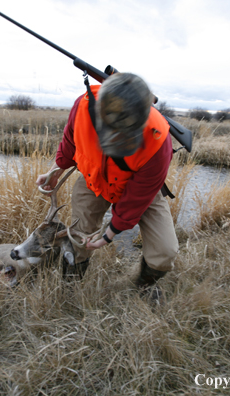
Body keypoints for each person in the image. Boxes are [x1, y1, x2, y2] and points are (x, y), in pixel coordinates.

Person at [36, 72, 178, 298]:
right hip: (93, 180)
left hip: (137, 189)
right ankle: (69, 291)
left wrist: (109, 235)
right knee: (78, 238)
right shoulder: (82, 107)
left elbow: (136, 200)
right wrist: (55, 171)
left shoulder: (158, 141)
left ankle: (144, 286)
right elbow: (70, 143)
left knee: (165, 252)